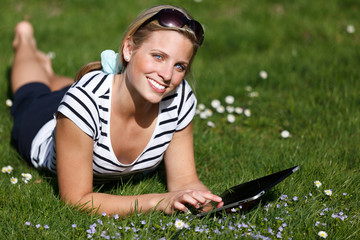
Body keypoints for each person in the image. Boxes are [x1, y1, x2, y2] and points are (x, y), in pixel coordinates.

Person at [10, 4, 223, 216]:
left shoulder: (179, 98)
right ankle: (25, 41)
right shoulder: (82, 104)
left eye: (180, 66)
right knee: (31, 92)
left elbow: (185, 180)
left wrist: (205, 201)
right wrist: (157, 201)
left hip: (100, 97)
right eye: (158, 56)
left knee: (66, 89)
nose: (167, 75)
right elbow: (77, 199)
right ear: (129, 49)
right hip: (42, 123)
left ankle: (51, 72)